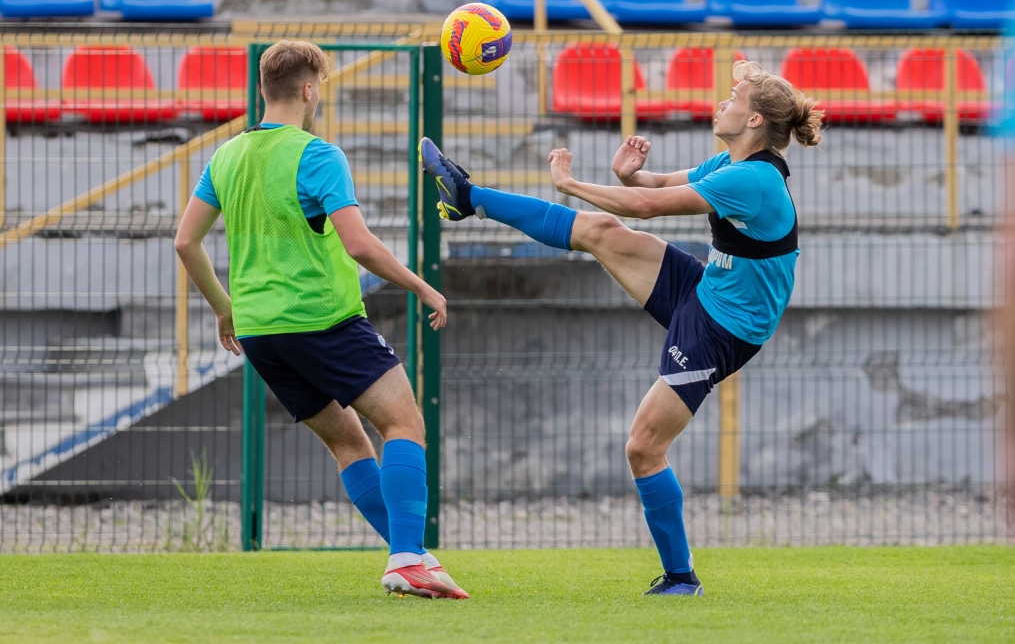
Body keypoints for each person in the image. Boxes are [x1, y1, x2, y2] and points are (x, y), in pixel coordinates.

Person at [420, 59, 822, 596]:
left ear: (754, 121)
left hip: (725, 327)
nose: (723, 101)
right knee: (602, 231)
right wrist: (628, 172)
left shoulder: (754, 178)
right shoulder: (733, 162)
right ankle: (467, 197)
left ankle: (681, 578)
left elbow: (648, 207)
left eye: (733, 95)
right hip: (707, 289)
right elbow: (649, 187)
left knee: (642, 447)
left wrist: (569, 183)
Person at [174, 39, 467, 600]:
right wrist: (424, 287)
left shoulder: (226, 156)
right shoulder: (318, 154)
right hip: (321, 321)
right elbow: (358, 245)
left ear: (265, 90)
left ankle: (413, 558)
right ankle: (407, 559)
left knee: (350, 445)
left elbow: (186, 241)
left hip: (260, 331)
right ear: (310, 90)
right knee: (404, 424)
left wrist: (223, 307)